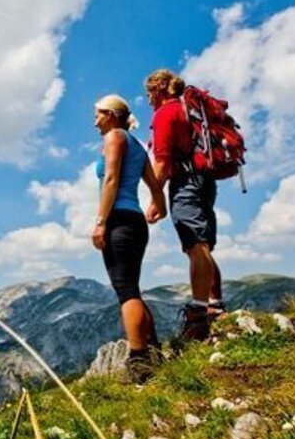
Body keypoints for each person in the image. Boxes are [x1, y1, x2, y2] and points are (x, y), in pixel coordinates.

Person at [143, 69, 225, 349]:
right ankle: (214, 303)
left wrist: (155, 197)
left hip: (185, 181)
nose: (148, 100)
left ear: (161, 88)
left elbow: (163, 162)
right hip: (205, 180)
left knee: (195, 243)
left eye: (150, 92)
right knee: (202, 244)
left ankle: (199, 315)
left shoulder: (166, 113)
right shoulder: (190, 112)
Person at [91, 94, 167, 384]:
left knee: (126, 291)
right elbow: (153, 182)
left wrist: (101, 222)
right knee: (132, 288)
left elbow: (110, 179)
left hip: (118, 221)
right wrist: (158, 203)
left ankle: (139, 361)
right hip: (135, 221)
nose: (95, 120)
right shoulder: (135, 144)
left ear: (111, 114)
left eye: (98, 114)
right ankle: (154, 349)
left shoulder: (115, 138)